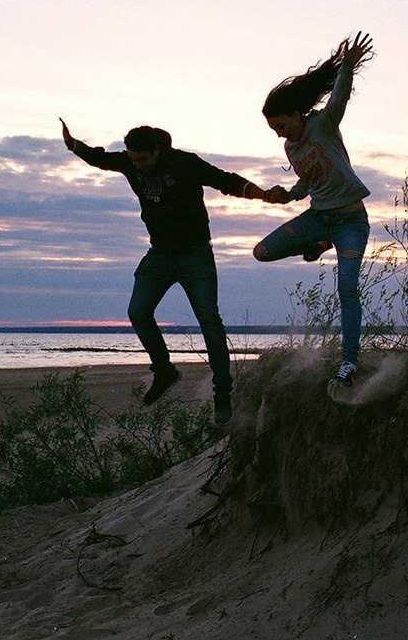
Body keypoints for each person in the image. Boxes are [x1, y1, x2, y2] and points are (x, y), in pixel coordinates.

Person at [59, 118, 271, 425]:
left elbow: (225, 180)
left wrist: (261, 194)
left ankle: (222, 395)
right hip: (159, 255)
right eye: (133, 160)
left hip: (195, 254)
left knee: (209, 320)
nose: (138, 166)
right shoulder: (130, 162)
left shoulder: (184, 163)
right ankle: (164, 370)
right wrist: (74, 144)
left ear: (157, 150)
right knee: (138, 311)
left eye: (143, 159)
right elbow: (101, 159)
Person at [254, 31, 375, 390]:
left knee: (347, 288)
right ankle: (320, 241)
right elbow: (309, 181)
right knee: (262, 252)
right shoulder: (291, 148)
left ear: (296, 113)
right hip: (319, 217)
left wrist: (347, 67)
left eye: (282, 125)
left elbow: (339, 99)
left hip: (351, 221)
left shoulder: (323, 124)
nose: (279, 134)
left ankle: (349, 363)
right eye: (274, 129)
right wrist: (287, 196)